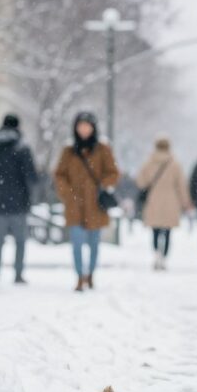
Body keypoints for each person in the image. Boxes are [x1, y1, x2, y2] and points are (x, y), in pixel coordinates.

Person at [54, 112, 119, 292]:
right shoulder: (68, 151)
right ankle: (79, 276)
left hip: (95, 204)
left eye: (87, 125)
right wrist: (67, 193)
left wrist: (102, 186)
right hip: (74, 204)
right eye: (80, 125)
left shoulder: (102, 149)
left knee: (94, 243)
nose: (84, 129)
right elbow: (59, 174)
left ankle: (90, 273)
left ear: (93, 128)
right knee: (76, 243)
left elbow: (113, 172)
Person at [0, 114, 37, 283]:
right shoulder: (22, 148)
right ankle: (18, 274)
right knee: (20, 242)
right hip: (19, 204)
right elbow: (31, 176)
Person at [136, 135, 190, 271]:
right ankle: (163, 257)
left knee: (155, 230)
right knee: (167, 231)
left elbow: (140, 182)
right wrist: (186, 202)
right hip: (171, 202)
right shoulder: (175, 164)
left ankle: (156, 254)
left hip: (153, 201)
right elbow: (181, 185)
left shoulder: (148, 163)